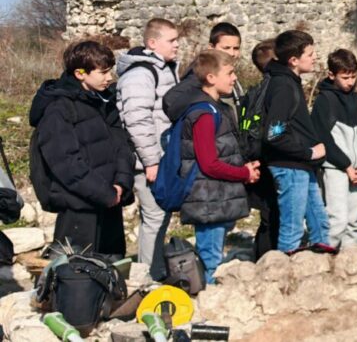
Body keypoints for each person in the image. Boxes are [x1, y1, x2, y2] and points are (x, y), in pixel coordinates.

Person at [29, 40, 133, 258]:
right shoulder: (58, 109)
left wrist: (121, 183)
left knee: (112, 269)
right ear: (80, 74)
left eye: (110, 71)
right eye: (103, 72)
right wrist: (104, 193)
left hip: (111, 202)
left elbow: (122, 145)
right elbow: (66, 163)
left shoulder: (104, 101)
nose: (109, 77)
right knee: (75, 273)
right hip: (78, 209)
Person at [178, 50, 259, 283]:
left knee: (214, 255)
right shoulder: (203, 113)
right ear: (211, 78)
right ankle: (208, 300)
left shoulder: (218, 108)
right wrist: (243, 173)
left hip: (216, 197)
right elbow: (209, 164)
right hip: (208, 198)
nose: (235, 78)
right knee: (211, 259)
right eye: (230, 73)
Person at [116, 18, 180, 279]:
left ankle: (154, 271)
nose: (177, 45)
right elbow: (137, 119)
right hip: (148, 161)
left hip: (160, 158)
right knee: (154, 217)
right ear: (152, 43)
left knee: (160, 216)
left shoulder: (163, 69)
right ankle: (147, 278)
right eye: (171, 40)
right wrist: (151, 160)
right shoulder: (141, 74)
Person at [261, 30, 331, 253]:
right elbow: (275, 132)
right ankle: (284, 272)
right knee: (292, 230)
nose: (315, 57)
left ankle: (322, 265)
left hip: (300, 165)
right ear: (293, 60)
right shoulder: (283, 86)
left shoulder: (289, 81)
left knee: (320, 223)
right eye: (309, 54)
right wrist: (308, 152)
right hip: (289, 166)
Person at [311, 49, 357, 249]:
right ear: (332, 75)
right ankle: (324, 255)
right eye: (345, 78)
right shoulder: (324, 101)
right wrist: (345, 165)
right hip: (335, 168)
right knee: (337, 218)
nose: (350, 82)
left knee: (353, 220)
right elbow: (323, 138)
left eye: (353, 76)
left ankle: (349, 258)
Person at [163, 21, 246, 123]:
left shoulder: (225, 72)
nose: (232, 53)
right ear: (211, 47)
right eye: (226, 48)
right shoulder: (200, 74)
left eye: (236, 48)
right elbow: (170, 100)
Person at [246, 38, 279, 258]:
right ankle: (266, 261)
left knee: (270, 216)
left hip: (262, 157)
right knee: (272, 216)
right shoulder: (273, 88)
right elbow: (274, 127)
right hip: (270, 159)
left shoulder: (260, 89)